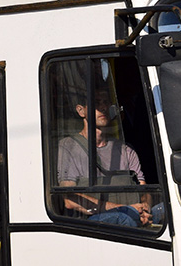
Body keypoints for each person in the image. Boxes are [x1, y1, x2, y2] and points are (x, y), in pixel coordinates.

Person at [56, 87, 154, 228]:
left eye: (106, 102)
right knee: (123, 217)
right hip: (95, 224)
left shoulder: (126, 150)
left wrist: (145, 208)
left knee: (163, 211)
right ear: (80, 110)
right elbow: (70, 200)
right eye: (96, 103)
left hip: (133, 214)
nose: (103, 107)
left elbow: (144, 189)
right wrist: (124, 208)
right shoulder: (69, 146)